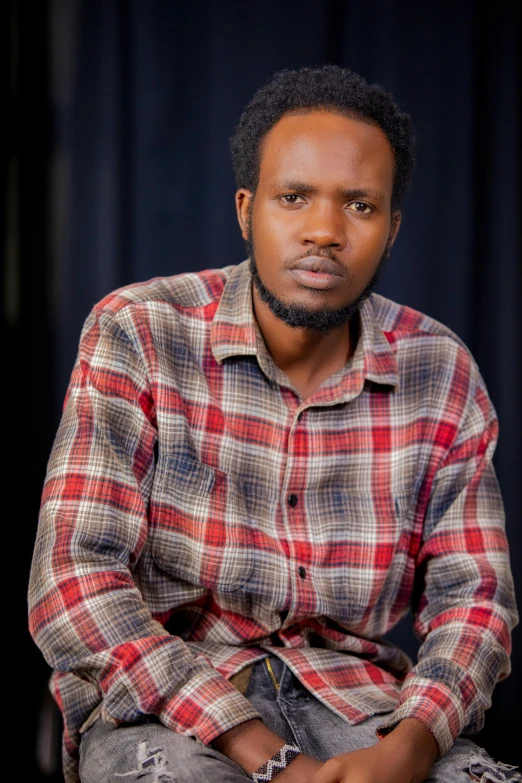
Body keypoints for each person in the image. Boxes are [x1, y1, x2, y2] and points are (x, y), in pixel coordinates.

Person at [28, 65, 520, 783]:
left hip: (363, 706)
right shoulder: (139, 331)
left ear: (391, 229)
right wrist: (268, 756)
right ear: (245, 209)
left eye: (359, 206)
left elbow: (476, 597)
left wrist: (411, 746)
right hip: (171, 703)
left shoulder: (439, 368)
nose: (324, 231)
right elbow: (72, 580)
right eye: (294, 198)